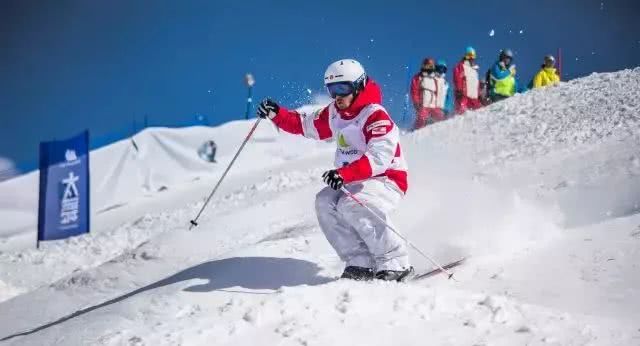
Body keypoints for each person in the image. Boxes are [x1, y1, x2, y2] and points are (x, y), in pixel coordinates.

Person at [256, 59, 412, 282]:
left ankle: (395, 261)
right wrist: (276, 114)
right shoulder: (335, 114)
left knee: (350, 204)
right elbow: (304, 125)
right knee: (324, 202)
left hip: (386, 179)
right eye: (331, 90)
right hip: (355, 181)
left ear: (358, 86)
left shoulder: (375, 115)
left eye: (342, 88)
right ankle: (360, 262)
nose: (337, 96)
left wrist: (344, 174)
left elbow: (380, 158)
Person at [410, 57, 446, 129]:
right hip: (423, 105)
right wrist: (416, 102)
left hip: (434, 105)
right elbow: (414, 91)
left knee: (441, 117)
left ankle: (442, 131)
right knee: (422, 117)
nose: (428, 68)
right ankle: (415, 131)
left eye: (431, 66)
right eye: (426, 65)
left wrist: (439, 105)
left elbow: (438, 93)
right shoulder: (418, 77)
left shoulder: (435, 79)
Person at [453, 46, 483, 114]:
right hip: (464, 95)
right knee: (462, 111)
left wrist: (479, 94)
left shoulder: (474, 70)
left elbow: (476, 83)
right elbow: (457, 78)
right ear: (466, 56)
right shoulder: (461, 66)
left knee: (480, 111)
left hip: (474, 97)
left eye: (473, 56)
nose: (471, 58)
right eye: (469, 55)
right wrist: (459, 89)